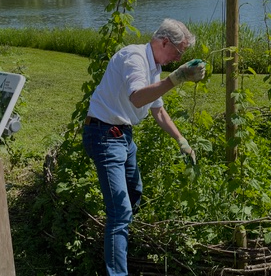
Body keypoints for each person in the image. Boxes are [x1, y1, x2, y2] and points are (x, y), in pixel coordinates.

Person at [82, 18, 205, 276]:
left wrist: (181, 140)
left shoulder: (154, 66)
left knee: (134, 193)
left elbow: (157, 110)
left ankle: (122, 247)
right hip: (104, 134)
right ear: (163, 42)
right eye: (179, 52)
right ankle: (117, 271)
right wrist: (178, 77)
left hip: (121, 135)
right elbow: (138, 97)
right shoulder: (134, 58)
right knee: (120, 210)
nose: (178, 58)